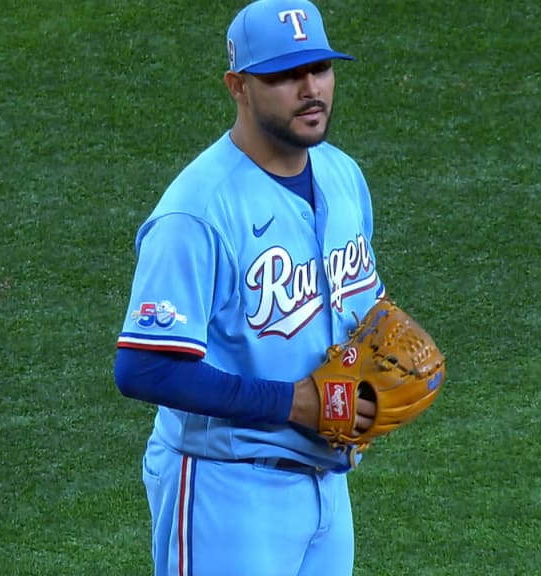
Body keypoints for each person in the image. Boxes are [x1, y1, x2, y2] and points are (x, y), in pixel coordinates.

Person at [114, 1, 384, 574]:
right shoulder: (196, 214)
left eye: (320, 68)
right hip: (227, 488)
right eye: (285, 75)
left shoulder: (342, 174)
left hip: (327, 486)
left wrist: (373, 383)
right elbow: (144, 369)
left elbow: (359, 309)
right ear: (238, 86)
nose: (310, 88)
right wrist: (294, 403)